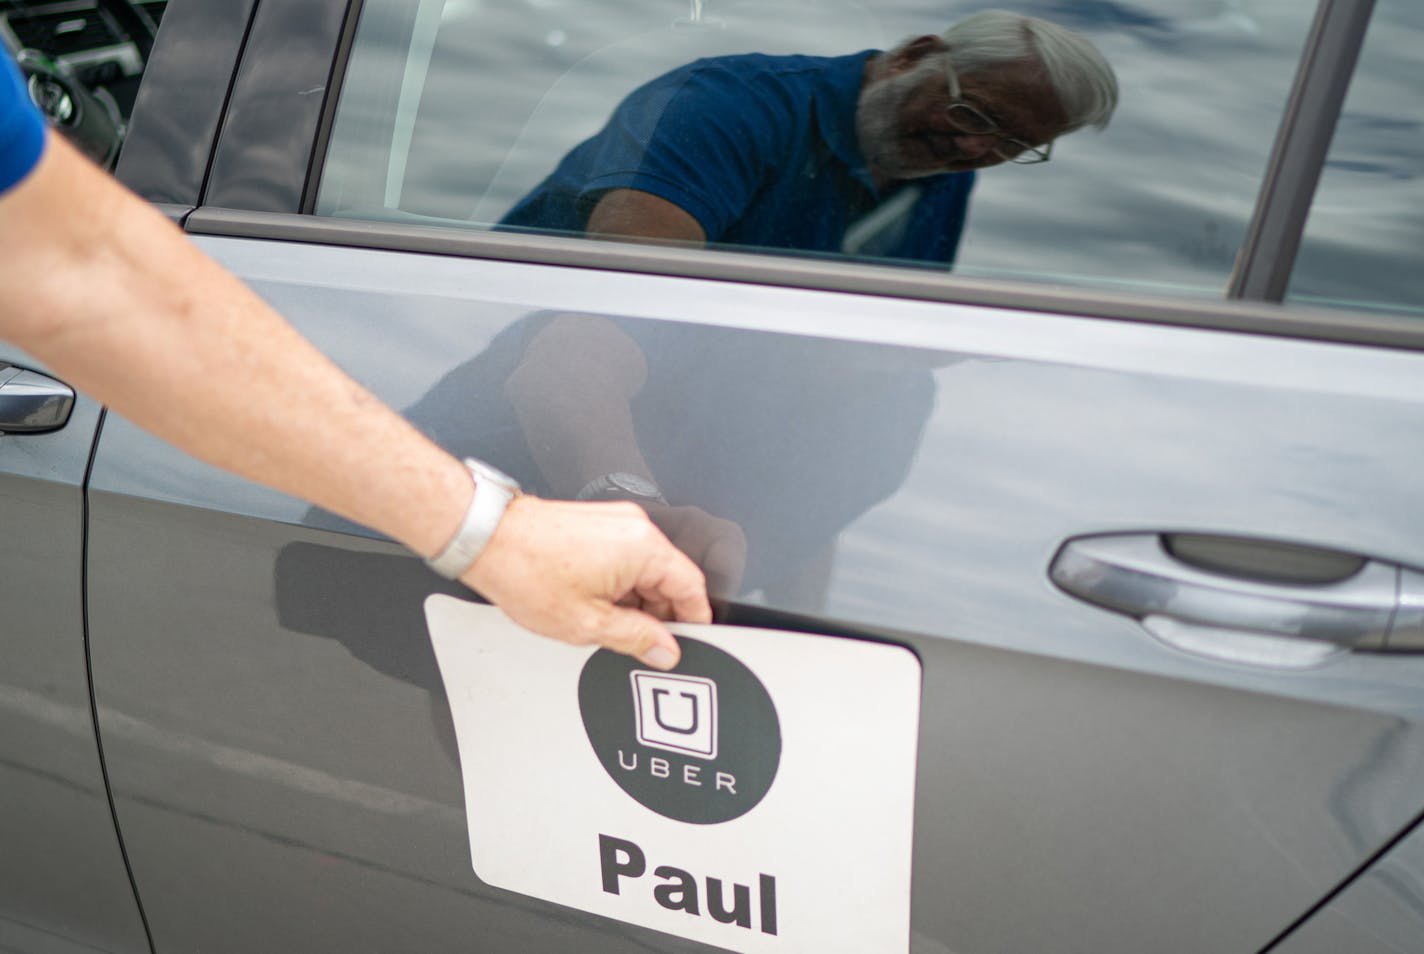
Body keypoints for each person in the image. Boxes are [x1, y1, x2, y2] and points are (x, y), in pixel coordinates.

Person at [0, 49, 710, 670]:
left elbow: (87, 273)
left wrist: (491, 533)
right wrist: (495, 535)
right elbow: (85, 272)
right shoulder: (730, 109)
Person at [502, 9, 1118, 263]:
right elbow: (623, 301)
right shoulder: (727, 104)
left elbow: (869, 363)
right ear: (915, 57)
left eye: (1015, 146)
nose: (978, 151)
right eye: (975, 116)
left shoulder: (940, 163)